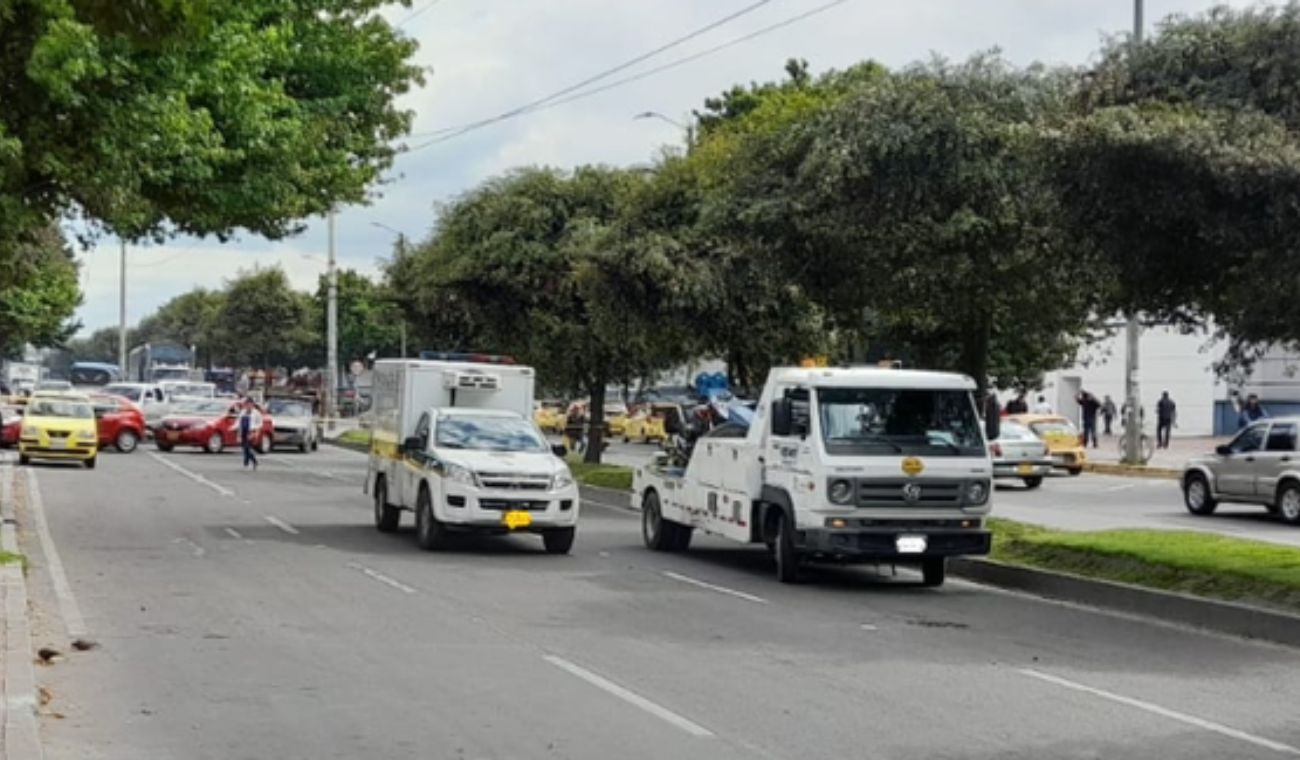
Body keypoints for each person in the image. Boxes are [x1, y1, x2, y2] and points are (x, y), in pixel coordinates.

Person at [238, 397, 262, 470]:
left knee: (247, 448)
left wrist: (256, 432)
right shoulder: (242, 412)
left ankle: (253, 461)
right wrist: (238, 433)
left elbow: (260, 423)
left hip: (251, 431)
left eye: (249, 404)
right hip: (243, 431)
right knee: (244, 449)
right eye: (246, 404)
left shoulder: (256, 413)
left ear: (252, 404)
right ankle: (247, 463)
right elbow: (239, 423)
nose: (248, 406)